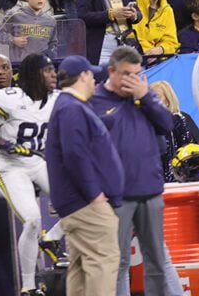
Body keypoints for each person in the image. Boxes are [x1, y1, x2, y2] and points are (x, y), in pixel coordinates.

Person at [89, 46, 181, 296]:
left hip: (150, 191)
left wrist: (146, 96)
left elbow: (166, 124)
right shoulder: (94, 102)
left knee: (157, 259)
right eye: (127, 74)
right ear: (111, 71)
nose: (134, 79)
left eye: (138, 74)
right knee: (117, 264)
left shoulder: (144, 97)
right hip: (115, 196)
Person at [0, 53, 60, 296]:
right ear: (34, 74)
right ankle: (29, 287)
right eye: (48, 70)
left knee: (79, 201)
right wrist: (5, 144)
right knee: (32, 220)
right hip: (10, 166)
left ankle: (51, 239)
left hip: (37, 161)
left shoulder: (56, 99)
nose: (53, 75)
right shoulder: (10, 98)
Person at [46, 56, 122, 296]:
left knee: (80, 269)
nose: (95, 81)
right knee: (103, 261)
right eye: (92, 76)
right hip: (86, 204)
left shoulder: (71, 107)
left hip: (77, 203)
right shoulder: (71, 107)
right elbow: (74, 154)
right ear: (83, 76)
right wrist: (94, 194)